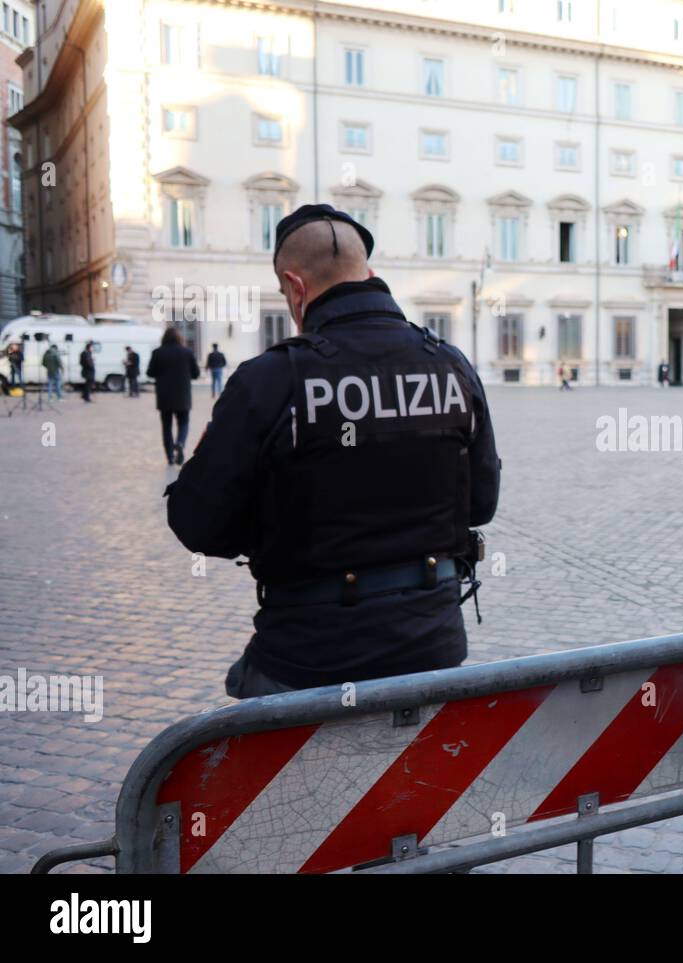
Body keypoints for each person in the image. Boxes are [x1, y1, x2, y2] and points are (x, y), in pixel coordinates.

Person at [164, 204, 501, 699]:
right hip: (432, 649)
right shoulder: (451, 365)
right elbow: (480, 504)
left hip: (306, 658)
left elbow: (197, 521)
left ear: (295, 288)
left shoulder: (269, 379)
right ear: (370, 275)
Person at [146, 328, 200, 464]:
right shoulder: (187, 352)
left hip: (164, 397)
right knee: (184, 422)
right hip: (183, 395)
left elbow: (150, 373)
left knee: (166, 427)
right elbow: (196, 374)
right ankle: (180, 443)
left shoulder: (157, 352)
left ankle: (170, 457)